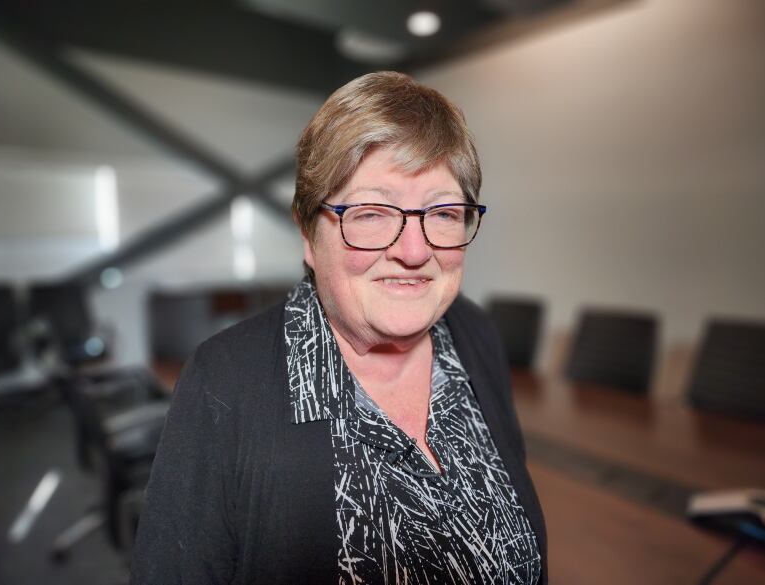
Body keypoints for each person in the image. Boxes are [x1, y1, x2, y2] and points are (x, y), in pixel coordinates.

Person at [130, 71, 546, 584]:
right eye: (371, 212)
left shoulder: (474, 334)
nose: (414, 251)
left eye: (442, 212)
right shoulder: (227, 381)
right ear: (308, 233)